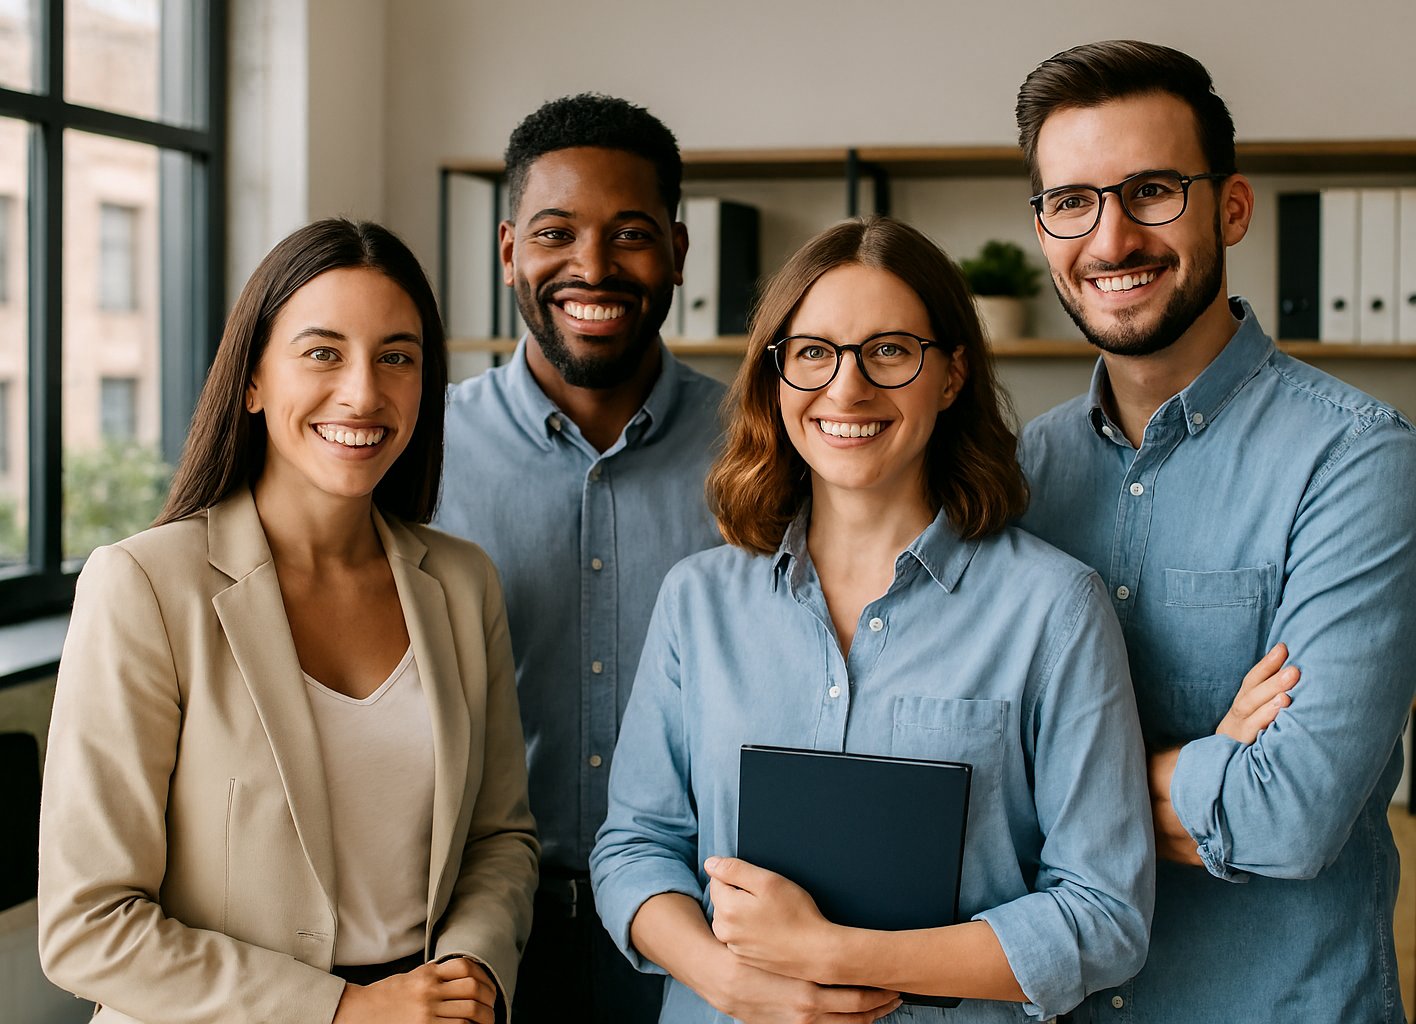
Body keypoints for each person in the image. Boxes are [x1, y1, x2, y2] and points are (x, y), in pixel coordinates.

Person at [590, 216, 1155, 1023]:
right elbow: (635, 850)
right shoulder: (697, 601)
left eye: (889, 350)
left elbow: (1104, 916)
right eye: (813, 352)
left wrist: (836, 956)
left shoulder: (1054, 609)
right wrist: (729, 981)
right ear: (776, 376)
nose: (847, 388)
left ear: (952, 374)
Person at [1013, 41, 1416, 1023]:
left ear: (1232, 208)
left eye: (1152, 191)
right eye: (1072, 201)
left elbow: (1289, 816)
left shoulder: (1358, 460)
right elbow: (966, 784)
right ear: (1043, 229)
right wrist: (1205, 767)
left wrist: (1057, 787)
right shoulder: (1018, 475)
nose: (1112, 238)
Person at [37, 219, 539, 1024]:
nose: (363, 393)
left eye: (397, 358)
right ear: (253, 381)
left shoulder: (462, 582)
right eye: (323, 353)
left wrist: (471, 965)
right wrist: (343, 1010)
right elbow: (88, 926)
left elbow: (499, 838)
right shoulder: (145, 586)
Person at [433, 94, 727, 1023]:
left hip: (708, 934)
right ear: (508, 249)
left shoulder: (764, 447)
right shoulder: (418, 453)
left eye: (630, 234)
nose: (592, 267)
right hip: (480, 942)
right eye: (555, 233)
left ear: (678, 251)